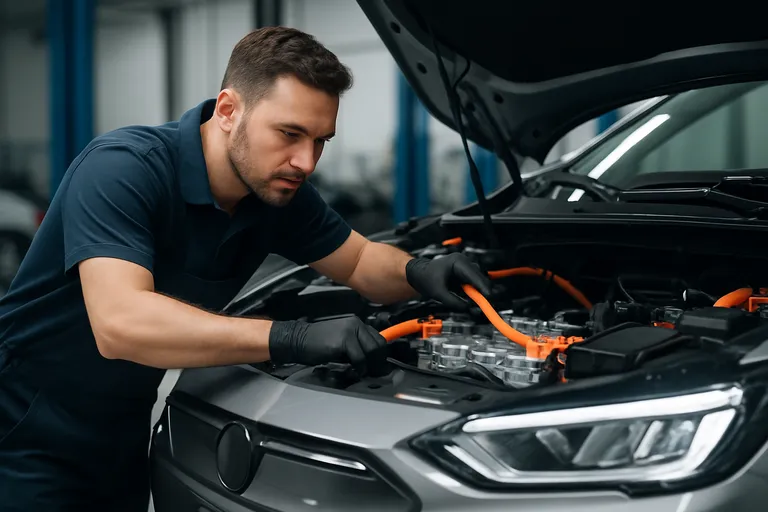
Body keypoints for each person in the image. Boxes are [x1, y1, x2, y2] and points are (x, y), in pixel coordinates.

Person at [0, 26, 491, 511]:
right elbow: (120, 324)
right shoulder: (124, 168)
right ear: (228, 110)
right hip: (25, 433)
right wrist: (291, 337)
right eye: (290, 134)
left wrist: (421, 272)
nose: (306, 162)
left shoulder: (277, 193)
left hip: (121, 436)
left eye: (320, 140)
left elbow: (361, 260)